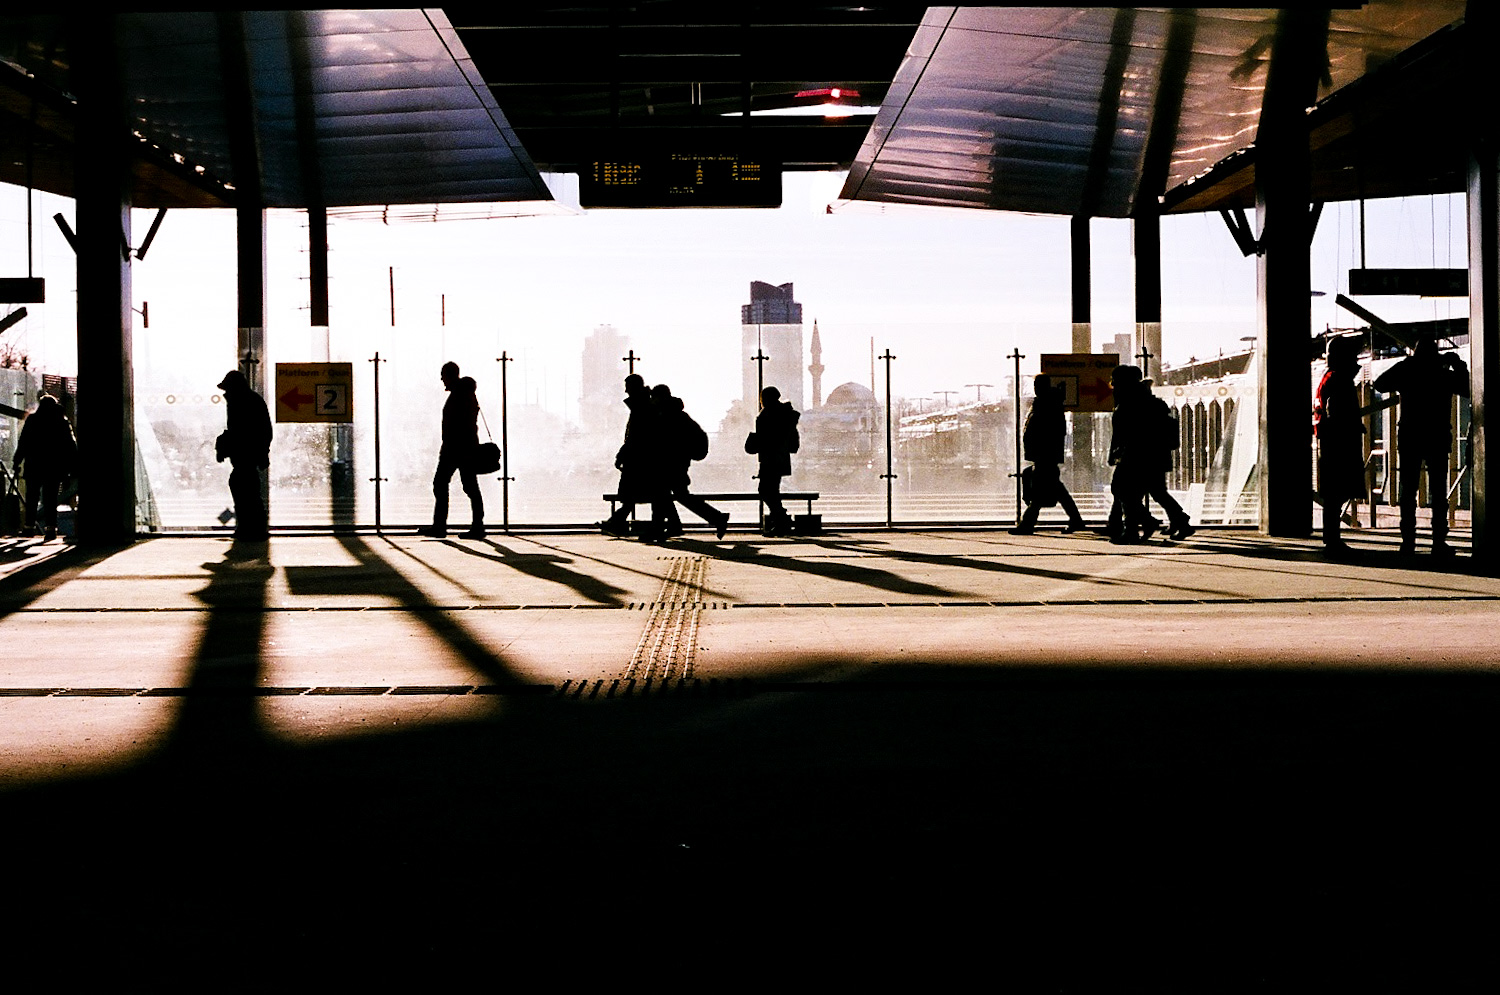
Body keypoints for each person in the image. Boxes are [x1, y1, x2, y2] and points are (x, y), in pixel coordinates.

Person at [1373, 333, 1470, 556]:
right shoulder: (1442, 375)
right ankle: (1438, 542)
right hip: (1437, 436)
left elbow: (1380, 384)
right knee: (1438, 492)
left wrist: (1407, 364)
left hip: (1410, 436)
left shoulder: (1407, 370)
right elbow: (1467, 388)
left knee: (1408, 491)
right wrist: (1458, 365)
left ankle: (1408, 542)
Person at [1011, 374, 1087, 535]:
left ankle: (1027, 523)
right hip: (1045, 454)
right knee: (1056, 489)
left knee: (1040, 490)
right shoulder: (1048, 403)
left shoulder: (1047, 404)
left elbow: (1045, 431)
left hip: (1044, 453)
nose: (1036, 389)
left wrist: (1039, 449)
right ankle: (1076, 520)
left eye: (1038, 385)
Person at [651, 384, 728, 539]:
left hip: (671, 462)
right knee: (674, 494)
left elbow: (665, 440)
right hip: (678, 461)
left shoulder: (668, 414)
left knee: (663, 493)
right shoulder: (677, 413)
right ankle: (712, 518)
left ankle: (664, 528)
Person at [419, 362, 484, 539]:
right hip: (464, 448)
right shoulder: (465, 394)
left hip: (455, 449)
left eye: (443, 375)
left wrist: (448, 445)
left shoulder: (459, 395)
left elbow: (456, 424)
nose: (442, 379)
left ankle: (440, 527)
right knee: (470, 487)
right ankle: (477, 527)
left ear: (450, 375)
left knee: (442, 484)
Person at [1315, 336, 1366, 556]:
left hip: (1330, 442)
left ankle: (1331, 538)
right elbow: (1336, 411)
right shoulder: (1340, 380)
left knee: (1333, 494)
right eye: (1352, 357)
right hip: (1340, 444)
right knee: (1337, 492)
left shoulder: (1328, 378)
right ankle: (1332, 540)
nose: (1356, 362)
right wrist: (1352, 425)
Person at [215, 369, 272, 542]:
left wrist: (224, 447)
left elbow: (240, 433)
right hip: (249, 455)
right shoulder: (250, 400)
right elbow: (262, 431)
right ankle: (253, 528)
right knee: (248, 490)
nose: (226, 393)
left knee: (243, 489)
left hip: (245, 455)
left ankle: (250, 528)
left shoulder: (241, 402)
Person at [599, 373, 659, 537]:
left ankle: (618, 522)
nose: (625, 391)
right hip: (641, 458)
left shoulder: (640, 408)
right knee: (637, 494)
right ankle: (617, 522)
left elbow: (634, 437)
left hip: (638, 459)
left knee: (632, 493)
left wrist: (622, 455)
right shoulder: (645, 405)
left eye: (627, 387)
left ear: (634, 387)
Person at [12, 394, 77, 541]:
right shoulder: (61, 421)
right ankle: (51, 529)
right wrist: (72, 468)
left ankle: (29, 527)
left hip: (34, 465)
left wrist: (16, 461)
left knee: (32, 497)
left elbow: (23, 443)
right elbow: (70, 446)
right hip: (53, 467)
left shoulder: (33, 420)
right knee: (51, 499)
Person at [747, 385, 799, 537]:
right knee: (771, 490)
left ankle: (781, 521)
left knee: (766, 491)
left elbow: (767, 437)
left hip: (770, 458)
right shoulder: (783, 414)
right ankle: (781, 520)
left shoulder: (770, 414)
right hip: (779, 457)